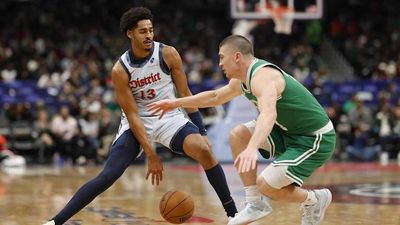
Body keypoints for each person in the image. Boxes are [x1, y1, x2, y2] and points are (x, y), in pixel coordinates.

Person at [42, 7, 237, 225]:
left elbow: (185, 94)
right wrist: (150, 154)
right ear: (129, 33)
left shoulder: (168, 54)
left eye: (151, 30)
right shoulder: (120, 69)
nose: (149, 35)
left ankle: (233, 214)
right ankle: (55, 222)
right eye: (143, 31)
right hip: (137, 122)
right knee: (108, 176)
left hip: (168, 116)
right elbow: (132, 114)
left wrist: (202, 131)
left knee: (204, 151)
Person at [149, 35, 336, 225]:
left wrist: (252, 147)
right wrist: (175, 103)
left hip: (314, 138)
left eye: (222, 57)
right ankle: (255, 204)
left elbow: (268, 115)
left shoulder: (262, 77)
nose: (220, 63)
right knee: (238, 135)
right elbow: (215, 96)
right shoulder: (242, 79)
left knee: (267, 185)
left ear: (237, 56)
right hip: (287, 131)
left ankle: (314, 199)